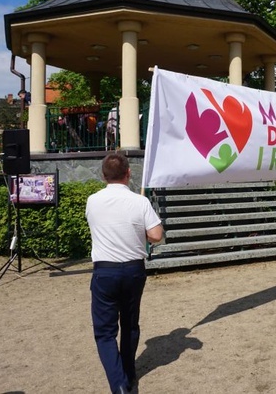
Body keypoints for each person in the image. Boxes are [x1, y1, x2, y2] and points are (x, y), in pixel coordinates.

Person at [85, 153, 164, 393]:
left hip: (105, 270)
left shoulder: (93, 201)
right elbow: (157, 235)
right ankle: (129, 373)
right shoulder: (139, 202)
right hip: (133, 269)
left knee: (105, 333)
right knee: (130, 324)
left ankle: (119, 384)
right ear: (128, 173)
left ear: (103, 176)